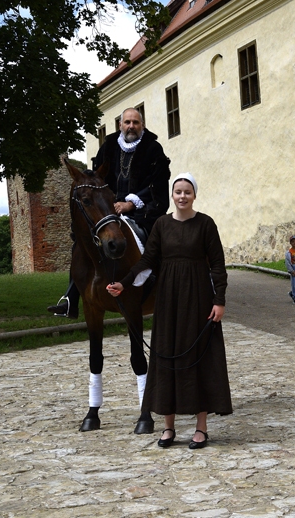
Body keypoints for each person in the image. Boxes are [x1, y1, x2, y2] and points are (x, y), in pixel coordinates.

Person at [106, 173, 232, 449]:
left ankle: (201, 428)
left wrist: (219, 301)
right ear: (173, 195)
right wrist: (124, 284)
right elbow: (148, 260)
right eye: (178, 192)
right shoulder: (162, 224)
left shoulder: (206, 224)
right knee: (167, 357)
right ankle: (168, 427)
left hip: (199, 298)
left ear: (194, 195)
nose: (183, 196)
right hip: (169, 300)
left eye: (188, 192)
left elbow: (218, 266)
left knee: (200, 358)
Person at [48, 107, 171, 318]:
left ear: (142, 125)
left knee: (157, 242)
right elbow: (97, 178)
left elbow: (158, 184)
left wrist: (131, 203)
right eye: (127, 122)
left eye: (135, 122)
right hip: (107, 210)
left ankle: (160, 287)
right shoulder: (109, 147)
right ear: (120, 125)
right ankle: (71, 297)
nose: (131, 126)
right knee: (82, 242)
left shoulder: (153, 149)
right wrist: (107, 203)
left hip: (142, 211)